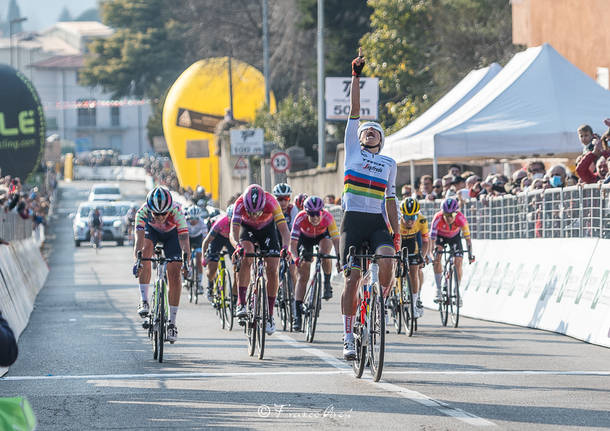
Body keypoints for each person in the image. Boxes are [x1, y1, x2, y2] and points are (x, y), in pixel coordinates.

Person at [340, 49, 399, 360]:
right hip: (352, 220)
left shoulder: (389, 162)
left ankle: (382, 302)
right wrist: (356, 77)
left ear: (382, 139)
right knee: (352, 278)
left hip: (377, 222)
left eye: (376, 131)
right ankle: (348, 336)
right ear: (359, 137)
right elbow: (354, 111)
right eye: (366, 130)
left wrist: (397, 231)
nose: (370, 131)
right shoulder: (352, 151)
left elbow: (390, 201)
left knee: (388, 258)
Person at [230, 184, 291, 335]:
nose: (255, 215)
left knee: (273, 268)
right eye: (251, 212)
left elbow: (284, 230)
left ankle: (269, 315)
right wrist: (237, 246)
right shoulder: (239, 203)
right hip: (247, 230)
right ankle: (241, 302)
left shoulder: (272, 202)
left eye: (258, 212)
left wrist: (285, 248)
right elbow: (233, 232)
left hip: (267, 231)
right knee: (247, 255)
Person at [133, 186, 190, 343]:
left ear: (169, 210)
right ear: (150, 210)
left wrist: (187, 262)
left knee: (174, 272)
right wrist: (137, 260)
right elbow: (138, 240)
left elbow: (184, 240)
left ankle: (172, 323)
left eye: (163, 214)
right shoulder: (142, 213)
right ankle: (144, 299)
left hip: (172, 236)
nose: (159, 217)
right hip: (152, 233)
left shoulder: (177, 212)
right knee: (145, 251)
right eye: (155, 214)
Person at [290, 196, 341, 330]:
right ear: (306, 212)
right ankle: (297, 315)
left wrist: (340, 258)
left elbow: (336, 241)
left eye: (317, 213)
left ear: (322, 212)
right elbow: (293, 244)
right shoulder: (300, 218)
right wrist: (296, 258)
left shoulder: (328, 218)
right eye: (311, 214)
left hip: (322, 237)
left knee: (325, 254)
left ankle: (327, 283)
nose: (315, 217)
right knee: (303, 274)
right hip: (304, 239)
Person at [430, 197, 474, 303]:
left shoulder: (461, 219)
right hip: (440, 237)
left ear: (456, 213)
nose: (449, 218)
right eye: (446, 215)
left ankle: (456, 289)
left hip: (455, 237)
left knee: (458, 261)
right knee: (437, 257)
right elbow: (432, 240)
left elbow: (468, 240)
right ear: (442, 213)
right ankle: (439, 290)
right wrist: (432, 255)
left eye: (452, 215)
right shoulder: (437, 218)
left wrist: (470, 254)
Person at [399, 197, 430, 318]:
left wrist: (422, 256)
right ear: (402, 215)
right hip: (399, 241)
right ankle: (393, 296)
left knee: (414, 271)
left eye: (413, 217)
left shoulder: (422, 221)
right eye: (407, 217)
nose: (410, 221)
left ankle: (414, 303)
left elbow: (426, 241)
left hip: (412, 243)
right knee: (393, 267)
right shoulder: (396, 221)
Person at [202, 205, 236, 301]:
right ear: (228, 218)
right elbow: (207, 241)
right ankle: (210, 286)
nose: (233, 222)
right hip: (218, 238)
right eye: (231, 219)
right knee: (212, 269)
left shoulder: (239, 224)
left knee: (239, 265)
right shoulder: (221, 222)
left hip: (231, 239)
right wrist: (204, 258)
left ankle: (234, 293)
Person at [185, 205, 208, 298]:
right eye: (191, 219)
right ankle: (186, 274)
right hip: (188, 238)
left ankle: (199, 282)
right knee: (186, 256)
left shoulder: (202, 223)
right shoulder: (185, 222)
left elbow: (205, 238)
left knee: (199, 258)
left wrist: (203, 251)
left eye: (196, 219)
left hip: (198, 239)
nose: (193, 221)